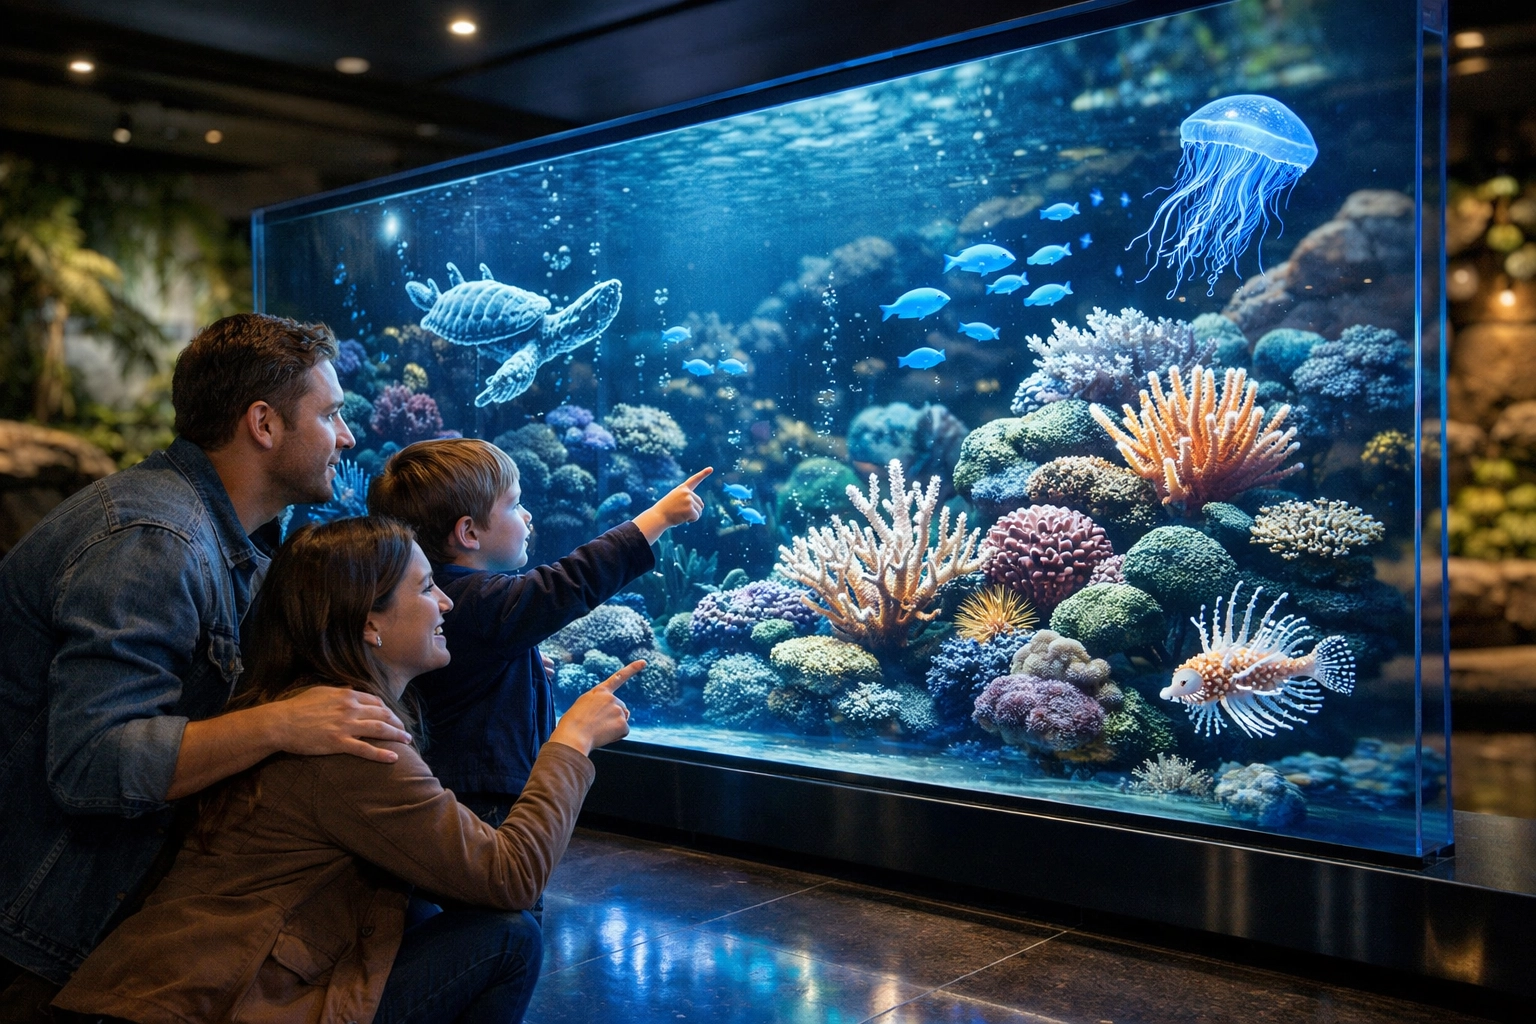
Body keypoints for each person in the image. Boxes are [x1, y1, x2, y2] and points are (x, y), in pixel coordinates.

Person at [52, 516, 635, 1024]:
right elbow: (510, 877)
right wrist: (571, 742)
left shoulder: (309, 701)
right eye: (427, 586)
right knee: (508, 938)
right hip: (224, 1004)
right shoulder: (347, 739)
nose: (447, 602)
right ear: (368, 623)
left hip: (186, 991)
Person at [0, 315, 416, 1013]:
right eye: (332, 414)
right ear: (263, 423)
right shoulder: (154, 540)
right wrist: (284, 724)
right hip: (38, 935)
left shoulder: (229, 532)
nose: (346, 437)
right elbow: (93, 762)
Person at [366, 437, 708, 831]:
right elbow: (565, 586)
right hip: (483, 798)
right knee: (503, 881)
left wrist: (520, 669)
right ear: (468, 533)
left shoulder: (439, 597)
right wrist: (657, 518)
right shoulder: (475, 599)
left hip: (460, 786)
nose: (528, 516)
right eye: (515, 504)